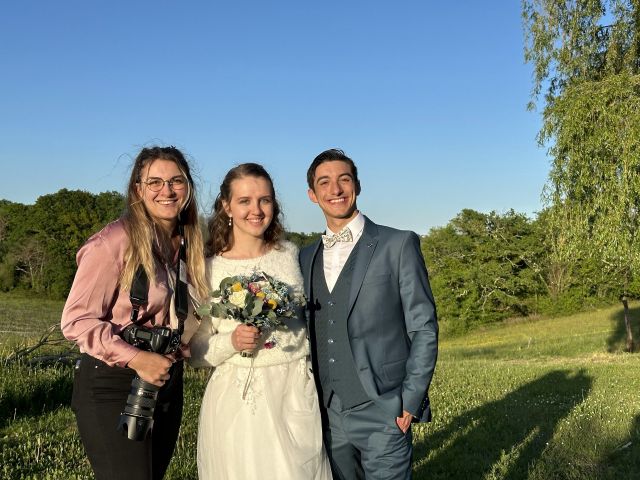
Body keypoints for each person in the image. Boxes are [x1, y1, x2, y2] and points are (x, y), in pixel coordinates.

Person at [61, 146, 208, 480]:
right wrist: (136, 358)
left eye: (176, 181)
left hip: (166, 381)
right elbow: (76, 320)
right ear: (137, 190)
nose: (166, 191)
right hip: (113, 381)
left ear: (188, 187)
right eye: (154, 182)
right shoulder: (113, 241)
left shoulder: (190, 242)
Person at [299, 149, 439, 479]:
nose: (335, 189)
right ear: (312, 194)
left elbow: (424, 328)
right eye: (324, 182)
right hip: (327, 413)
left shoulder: (398, 244)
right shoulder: (304, 257)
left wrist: (410, 400)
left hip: (385, 409)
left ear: (357, 186)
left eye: (343, 180)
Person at [189, 163, 331, 480]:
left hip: (294, 390)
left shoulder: (290, 255)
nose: (256, 210)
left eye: (264, 200)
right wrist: (232, 341)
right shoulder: (209, 270)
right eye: (245, 201)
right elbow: (195, 352)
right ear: (226, 206)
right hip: (239, 400)